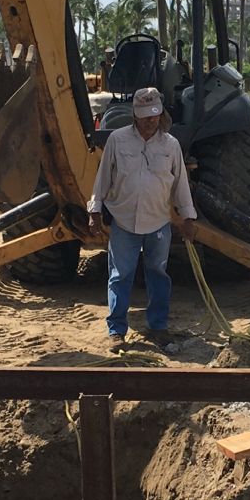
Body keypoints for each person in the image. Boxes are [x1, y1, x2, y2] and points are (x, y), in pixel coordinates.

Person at [87, 86, 198, 349]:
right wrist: (94, 211)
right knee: (120, 274)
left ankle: (158, 326)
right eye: (145, 115)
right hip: (123, 219)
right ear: (135, 115)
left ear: (161, 114)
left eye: (155, 115)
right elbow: (102, 178)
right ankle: (116, 331)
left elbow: (180, 184)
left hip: (158, 221)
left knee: (158, 273)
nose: (151, 121)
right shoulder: (117, 140)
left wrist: (188, 218)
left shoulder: (171, 146)